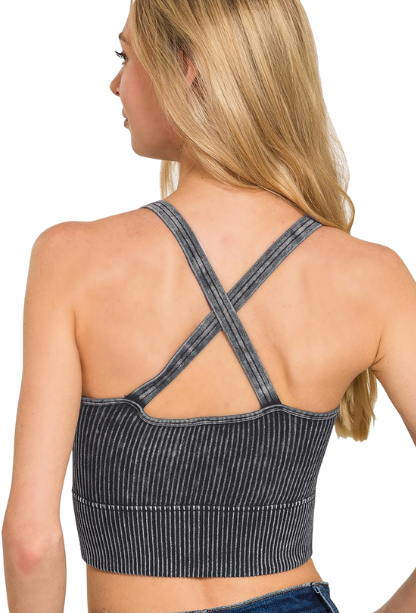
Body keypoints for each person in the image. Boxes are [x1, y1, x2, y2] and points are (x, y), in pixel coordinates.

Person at [2, 0, 416, 612]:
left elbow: (31, 545)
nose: (115, 83)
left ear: (187, 66)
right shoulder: (373, 278)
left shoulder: (71, 261)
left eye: (125, 56)